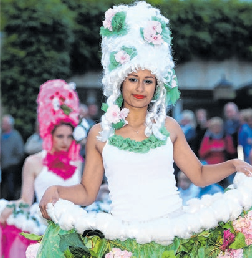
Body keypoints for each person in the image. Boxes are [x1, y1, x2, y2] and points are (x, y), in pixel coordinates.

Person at [38, 2, 252, 257]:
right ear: (120, 82)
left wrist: (233, 165)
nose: (140, 88)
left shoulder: (169, 128)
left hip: (174, 236)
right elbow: (87, 192)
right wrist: (57, 191)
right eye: (133, 79)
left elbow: (199, 175)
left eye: (148, 81)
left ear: (157, 87)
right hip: (124, 240)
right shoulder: (100, 134)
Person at [0, 80, 85, 258]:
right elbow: (26, 200)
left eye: (69, 136)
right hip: (41, 227)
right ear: (49, 135)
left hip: (73, 227)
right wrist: (10, 208)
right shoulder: (33, 162)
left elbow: (83, 195)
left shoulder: (77, 161)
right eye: (60, 136)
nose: (65, 141)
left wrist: (101, 191)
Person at [1, 114, 24, 200]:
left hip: (12, 167)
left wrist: (12, 161)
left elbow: (20, 152)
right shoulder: (1, 136)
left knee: (11, 189)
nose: (2, 125)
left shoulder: (15, 136)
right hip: (3, 167)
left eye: (3, 123)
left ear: (9, 125)